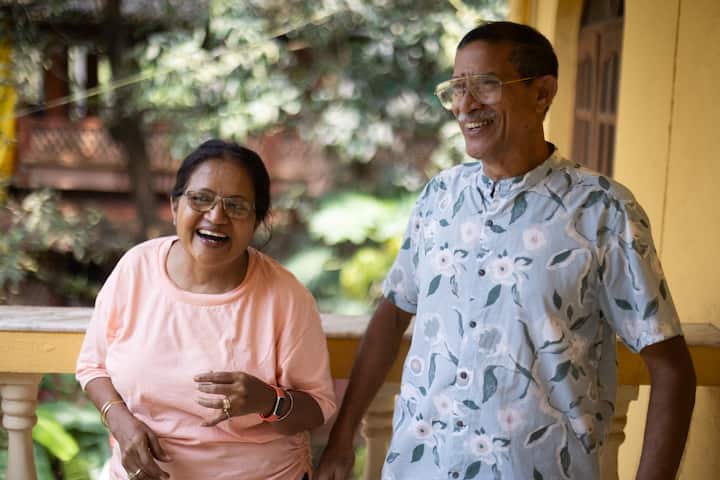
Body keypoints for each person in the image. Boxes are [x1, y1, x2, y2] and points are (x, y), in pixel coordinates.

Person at [317, 21, 695, 480]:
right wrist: (341, 438)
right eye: (456, 88)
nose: (465, 104)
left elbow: (672, 368)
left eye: (486, 85)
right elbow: (394, 312)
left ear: (542, 94)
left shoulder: (602, 209)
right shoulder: (440, 196)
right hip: (421, 467)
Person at [76, 139, 336, 480]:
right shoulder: (136, 268)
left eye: (236, 206)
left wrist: (269, 402)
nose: (216, 216)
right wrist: (120, 421)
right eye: (200, 199)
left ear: (257, 221)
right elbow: (92, 366)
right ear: (174, 206)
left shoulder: (286, 296)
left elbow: (318, 407)